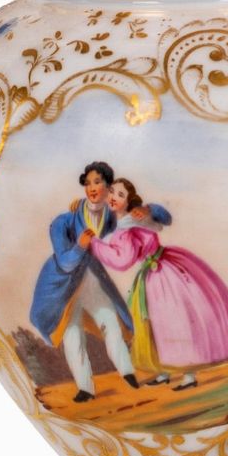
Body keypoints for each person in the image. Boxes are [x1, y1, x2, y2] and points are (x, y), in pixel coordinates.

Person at [28, 161, 171, 400]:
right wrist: (80, 246)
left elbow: (164, 218)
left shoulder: (112, 216)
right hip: (62, 287)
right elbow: (65, 262)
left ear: (108, 187)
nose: (92, 188)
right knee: (72, 334)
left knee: (111, 323)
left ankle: (128, 373)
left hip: (92, 279)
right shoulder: (64, 221)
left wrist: (147, 210)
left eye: (98, 183)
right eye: (88, 183)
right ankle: (85, 388)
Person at [90, 176, 228, 387]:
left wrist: (95, 244)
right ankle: (163, 371)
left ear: (129, 200)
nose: (113, 197)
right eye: (112, 192)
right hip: (153, 272)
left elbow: (123, 259)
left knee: (175, 321)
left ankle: (188, 375)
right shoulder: (119, 224)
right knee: (156, 325)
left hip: (163, 273)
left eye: (120, 194)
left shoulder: (131, 221)